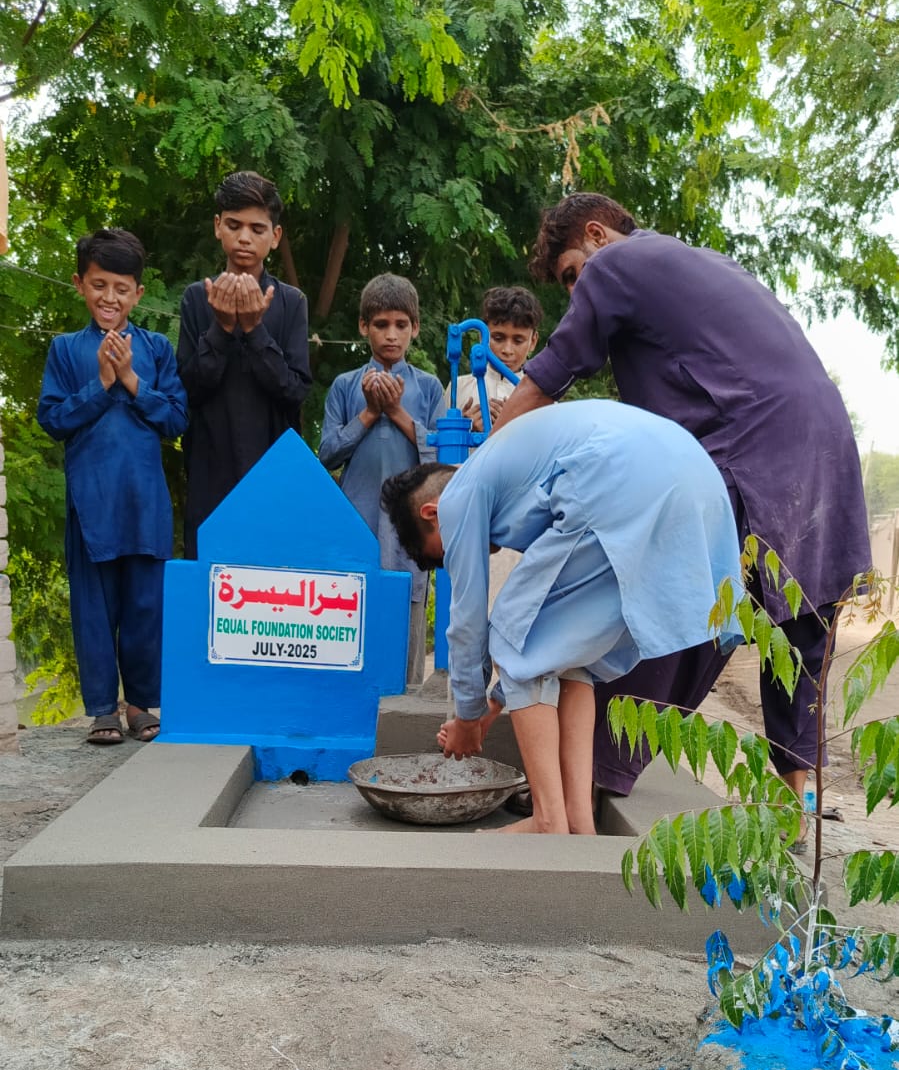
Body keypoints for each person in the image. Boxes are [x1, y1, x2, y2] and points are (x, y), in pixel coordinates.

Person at [491, 193, 872, 834]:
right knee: (801, 632)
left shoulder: (618, 263)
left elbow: (549, 375)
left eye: (571, 274)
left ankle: (587, 781)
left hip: (749, 446)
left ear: (596, 234)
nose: (578, 291)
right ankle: (796, 810)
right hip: (825, 445)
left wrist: (486, 465)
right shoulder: (706, 264)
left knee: (671, 601)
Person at [381, 400, 742, 833]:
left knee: (513, 633)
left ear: (431, 513)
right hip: (695, 479)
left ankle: (547, 819)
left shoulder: (457, 496)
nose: (461, 556)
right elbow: (554, 645)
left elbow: (468, 622)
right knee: (573, 660)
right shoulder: (507, 469)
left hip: (623, 480)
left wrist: (468, 717)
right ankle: (578, 820)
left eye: (444, 554)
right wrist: (493, 704)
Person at [37, 228, 188, 745]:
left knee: (146, 607)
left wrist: (131, 381)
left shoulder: (157, 349)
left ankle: (141, 705)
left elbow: (176, 418)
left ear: (138, 294)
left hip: (144, 502)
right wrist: (102, 383)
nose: (109, 298)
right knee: (94, 610)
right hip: (91, 504)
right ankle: (103, 709)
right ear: (80, 283)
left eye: (121, 288)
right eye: (99, 285)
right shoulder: (65, 350)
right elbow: (53, 419)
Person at [178, 171, 312, 558]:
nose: (244, 238)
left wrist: (255, 330)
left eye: (257, 228)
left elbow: (294, 391)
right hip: (209, 470)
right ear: (217, 226)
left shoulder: (291, 302)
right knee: (209, 574)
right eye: (234, 225)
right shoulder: (196, 299)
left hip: (273, 471)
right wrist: (221, 329)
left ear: (275, 236)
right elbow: (188, 390)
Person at [319, 274, 444, 686]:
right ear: (363, 326)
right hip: (358, 523)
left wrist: (397, 412)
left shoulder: (428, 388)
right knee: (351, 624)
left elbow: (442, 461)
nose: (391, 335)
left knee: (405, 629)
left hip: (411, 531)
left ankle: (405, 702)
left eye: (401, 325)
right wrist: (370, 413)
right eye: (381, 324)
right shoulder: (345, 386)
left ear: (415, 328)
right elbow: (327, 454)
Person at [444, 286, 542, 430]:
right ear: (482, 337)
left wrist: (513, 427)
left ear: (533, 341)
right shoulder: (458, 388)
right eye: (498, 338)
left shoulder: (542, 397)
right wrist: (465, 429)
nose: (507, 350)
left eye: (518, 341)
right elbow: (441, 440)